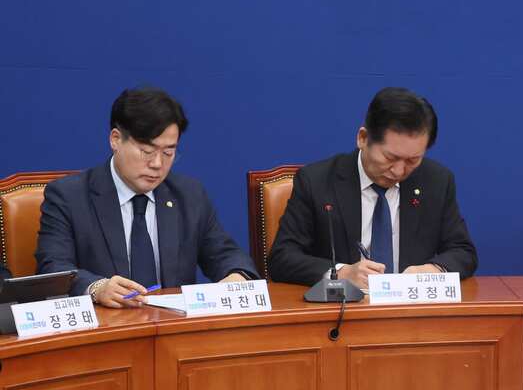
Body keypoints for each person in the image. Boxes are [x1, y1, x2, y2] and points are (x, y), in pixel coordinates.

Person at [36, 88, 258, 307]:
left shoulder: (189, 195)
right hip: (106, 329)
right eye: (147, 151)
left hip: (174, 330)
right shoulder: (69, 196)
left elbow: (225, 253)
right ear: (115, 139)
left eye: (168, 152)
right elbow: (53, 268)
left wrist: (236, 276)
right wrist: (96, 287)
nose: (157, 164)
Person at [268, 87, 477, 288]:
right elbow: (282, 258)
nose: (399, 171)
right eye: (390, 158)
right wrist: (341, 273)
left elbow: (462, 251)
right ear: (363, 138)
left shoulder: (436, 181)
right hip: (343, 311)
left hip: (412, 312)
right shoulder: (317, 181)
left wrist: (433, 270)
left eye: (413, 160)